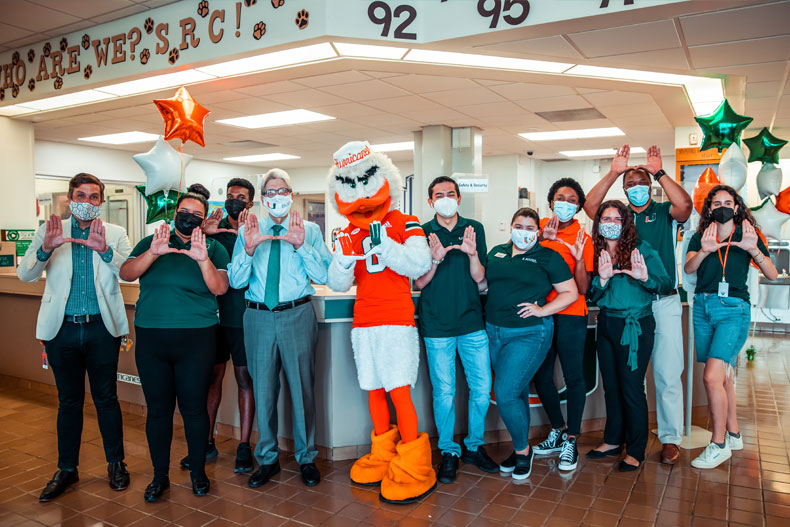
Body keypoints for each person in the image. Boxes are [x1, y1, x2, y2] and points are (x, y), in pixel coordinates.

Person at [326, 141, 436, 504]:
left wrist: (386, 245)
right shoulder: (348, 232)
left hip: (397, 321)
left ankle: (414, 462)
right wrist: (342, 259)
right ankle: (383, 453)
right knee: (372, 388)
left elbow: (419, 265)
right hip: (364, 322)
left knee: (398, 390)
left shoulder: (408, 223)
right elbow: (339, 284)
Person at [18, 173, 131, 502]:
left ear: (101, 201)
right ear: (70, 199)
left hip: (101, 328)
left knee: (106, 400)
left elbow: (127, 272)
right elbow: (26, 274)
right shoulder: (50, 231)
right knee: (68, 402)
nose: (87, 201)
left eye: (93, 196)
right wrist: (45, 249)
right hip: (61, 330)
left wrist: (106, 252)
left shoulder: (115, 233)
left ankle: (116, 464)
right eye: (80, 195)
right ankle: (67, 468)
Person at [584, 145, 692, 465]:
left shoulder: (662, 213)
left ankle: (670, 439)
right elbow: (591, 206)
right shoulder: (619, 217)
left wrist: (658, 172)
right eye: (629, 184)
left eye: (641, 181)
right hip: (627, 307)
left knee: (667, 373)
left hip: (660, 301)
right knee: (626, 381)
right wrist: (615, 171)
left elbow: (685, 205)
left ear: (651, 185)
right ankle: (624, 439)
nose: (636, 188)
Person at [119, 192, 230, 502]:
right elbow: (126, 273)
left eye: (196, 214)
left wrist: (202, 258)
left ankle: (198, 473)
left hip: (197, 339)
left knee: (194, 410)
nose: (188, 217)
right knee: (158, 411)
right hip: (152, 338)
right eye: (184, 211)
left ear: (204, 218)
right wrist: (154, 252)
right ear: (175, 212)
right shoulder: (152, 241)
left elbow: (220, 287)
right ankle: (159, 477)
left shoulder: (214, 248)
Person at [227, 169, 332, 489]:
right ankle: (268, 458)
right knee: (264, 390)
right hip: (257, 317)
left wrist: (301, 246)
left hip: (296, 313)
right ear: (262, 198)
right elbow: (235, 281)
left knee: (301, 389)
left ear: (291, 193)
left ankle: (305, 457)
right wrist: (247, 249)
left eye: (282, 190)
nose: (276, 197)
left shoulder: (309, 230)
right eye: (269, 192)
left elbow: (324, 275)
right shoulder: (249, 228)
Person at [479, 207, 578, 481]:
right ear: (510, 227)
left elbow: (570, 292)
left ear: (538, 231)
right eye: (519, 226)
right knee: (517, 391)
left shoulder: (548, 256)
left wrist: (543, 310)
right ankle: (521, 448)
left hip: (529, 333)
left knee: (506, 392)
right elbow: (485, 283)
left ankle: (523, 452)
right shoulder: (497, 252)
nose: (524, 232)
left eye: (529, 228)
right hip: (495, 332)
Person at [684, 185, 776, 469]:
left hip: (733, 310)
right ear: (710, 208)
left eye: (728, 202)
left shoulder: (748, 235)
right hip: (703, 307)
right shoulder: (701, 236)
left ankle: (719, 443)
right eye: (716, 202)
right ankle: (734, 433)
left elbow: (771, 273)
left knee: (711, 377)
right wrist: (704, 250)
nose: (722, 206)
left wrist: (753, 250)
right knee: (723, 376)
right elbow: (689, 268)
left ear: (736, 207)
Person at [415, 176, 496, 484]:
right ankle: (449, 451)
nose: (445, 198)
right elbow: (419, 283)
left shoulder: (474, 229)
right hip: (436, 325)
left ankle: (474, 446)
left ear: (459, 199)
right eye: (439, 194)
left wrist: (473, 254)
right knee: (445, 392)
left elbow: (481, 280)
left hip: (472, 322)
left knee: (481, 389)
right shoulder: (421, 232)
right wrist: (435, 260)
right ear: (430, 201)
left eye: (451, 194)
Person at [587, 200, 672, 472]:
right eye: (606, 219)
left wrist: (645, 277)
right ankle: (613, 439)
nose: (611, 224)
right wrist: (600, 280)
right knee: (610, 386)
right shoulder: (596, 252)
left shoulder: (642, 251)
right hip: (607, 323)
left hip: (635, 326)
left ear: (626, 223)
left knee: (631, 388)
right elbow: (592, 295)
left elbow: (666, 283)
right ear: (599, 223)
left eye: (616, 219)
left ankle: (635, 449)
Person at [179, 180, 256, 474]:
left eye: (241, 198)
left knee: (244, 380)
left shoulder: (256, 229)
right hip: (212, 318)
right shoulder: (212, 227)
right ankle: (205, 443)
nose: (234, 201)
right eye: (231, 196)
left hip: (243, 318)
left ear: (250, 203)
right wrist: (205, 233)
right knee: (209, 381)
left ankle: (244, 446)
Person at [531, 178, 593, 471]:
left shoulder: (584, 236)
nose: (565, 202)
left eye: (571, 199)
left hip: (571, 314)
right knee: (542, 376)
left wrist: (578, 259)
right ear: (551, 201)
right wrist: (543, 239)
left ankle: (572, 438)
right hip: (542, 312)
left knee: (573, 377)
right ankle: (557, 428)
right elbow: (522, 261)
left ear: (579, 206)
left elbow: (582, 288)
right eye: (560, 197)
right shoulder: (539, 227)